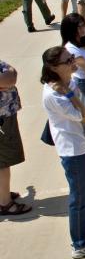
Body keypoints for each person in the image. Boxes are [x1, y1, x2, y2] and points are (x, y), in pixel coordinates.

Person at [41, 46, 85, 259]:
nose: (73, 62)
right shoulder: (56, 94)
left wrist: (70, 89)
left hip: (83, 143)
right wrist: (70, 93)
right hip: (73, 149)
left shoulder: (67, 82)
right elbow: (84, 115)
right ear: (53, 67)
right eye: (67, 60)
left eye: (71, 57)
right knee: (79, 196)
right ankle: (80, 243)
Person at [0, 60, 31, 216]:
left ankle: (2, 194)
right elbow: (8, 79)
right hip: (2, 119)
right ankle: (5, 204)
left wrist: (9, 73)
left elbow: (11, 75)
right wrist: (9, 73)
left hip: (4, 115)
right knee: (3, 162)